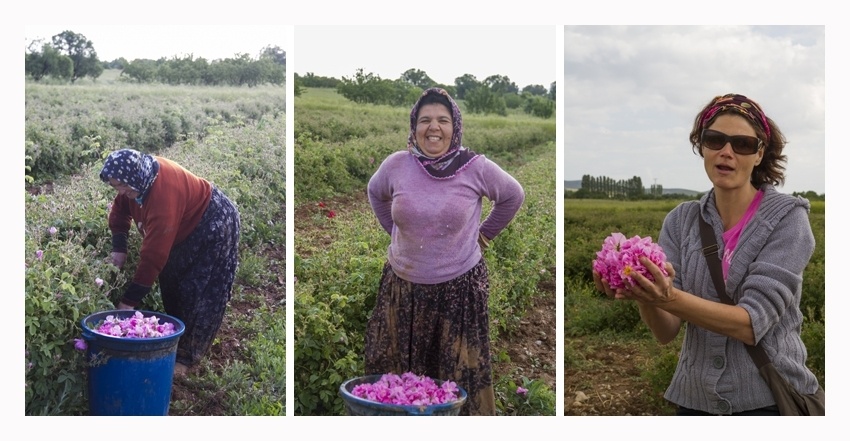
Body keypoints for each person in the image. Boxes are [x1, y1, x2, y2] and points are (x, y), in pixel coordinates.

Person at [593, 93, 822, 415]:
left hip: (768, 399)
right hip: (695, 400)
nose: (726, 152)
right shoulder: (681, 219)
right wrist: (642, 289)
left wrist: (667, 296)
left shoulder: (787, 219)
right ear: (701, 146)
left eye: (742, 144)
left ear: (759, 154)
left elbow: (750, 324)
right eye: (714, 140)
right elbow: (665, 331)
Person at [365, 88, 525, 415]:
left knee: (456, 381)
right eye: (425, 120)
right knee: (400, 381)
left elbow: (512, 196)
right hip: (403, 289)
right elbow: (375, 191)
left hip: (458, 291)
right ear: (414, 126)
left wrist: (483, 236)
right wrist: (395, 231)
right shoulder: (397, 164)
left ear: (455, 127)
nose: (433, 127)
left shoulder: (475, 167)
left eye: (442, 120)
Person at [99, 149, 240, 377]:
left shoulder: (162, 195)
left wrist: (127, 303)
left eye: (123, 187)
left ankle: (187, 358)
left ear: (136, 179)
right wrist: (119, 249)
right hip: (183, 226)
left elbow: (153, 257)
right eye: (116, 187)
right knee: (172, 285)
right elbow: (119, 211)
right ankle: (178, 340)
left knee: (199, 292)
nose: (121, 192)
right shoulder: (135, 180)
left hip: (213, 223)